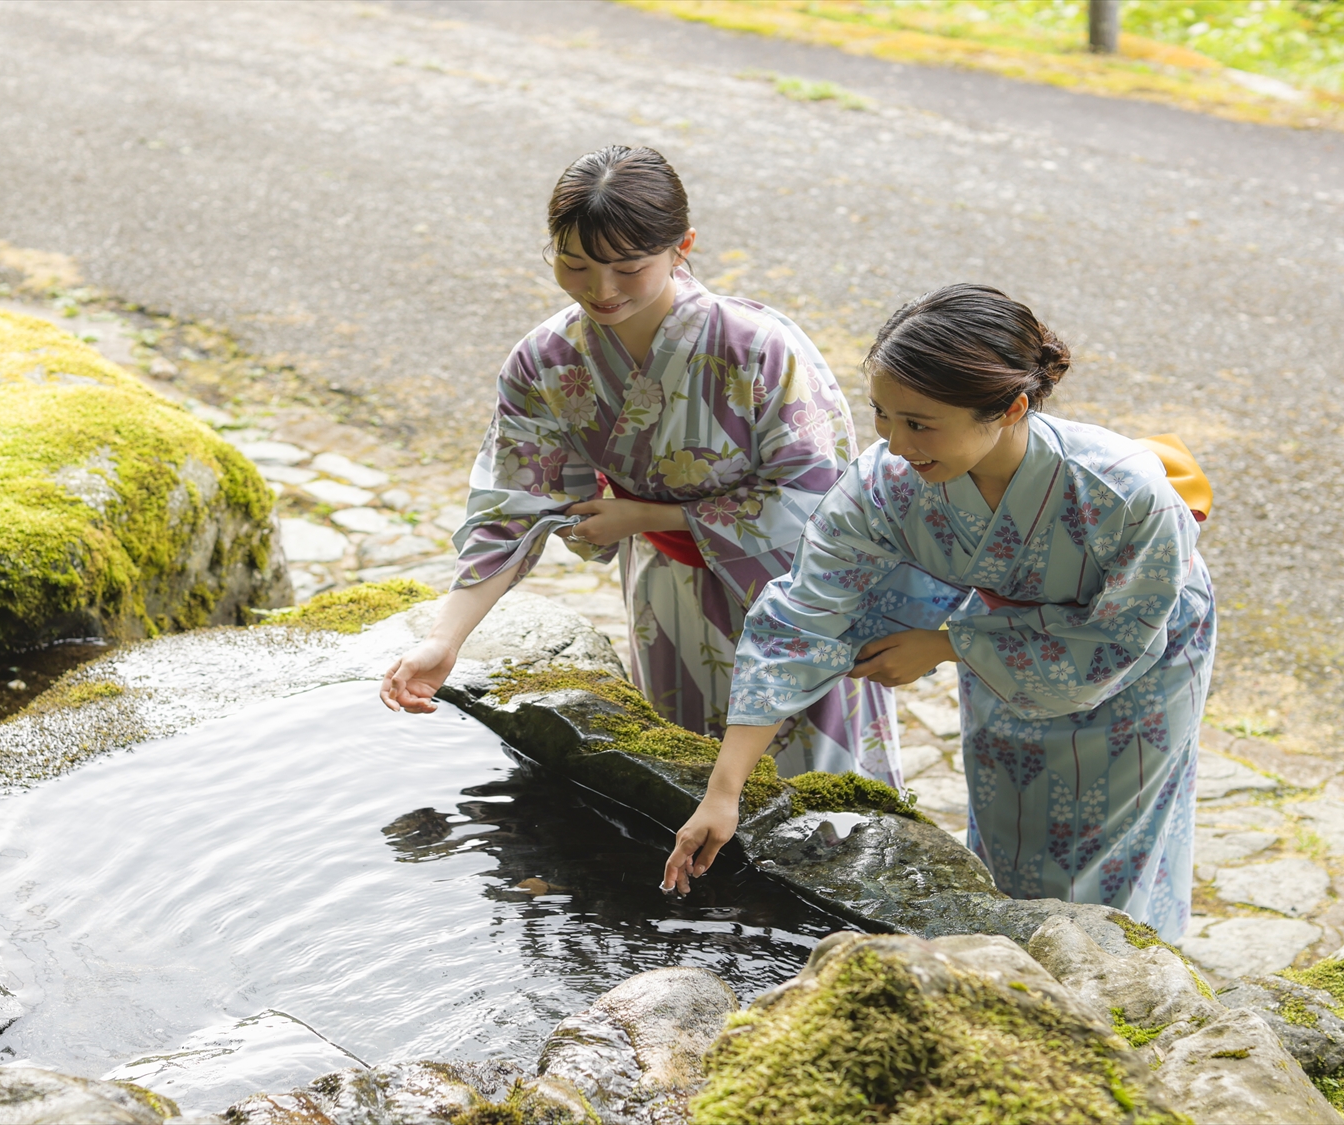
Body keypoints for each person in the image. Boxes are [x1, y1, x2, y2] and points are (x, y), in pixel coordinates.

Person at [661, 284, 1216, 941]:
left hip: (1139, 660)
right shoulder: (886, 483)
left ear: (1010, 408)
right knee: (1007, 820)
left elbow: (1116, 639)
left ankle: (1120, 993)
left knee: (1109, 848)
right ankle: (1007, 970)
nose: (895, 445)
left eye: (919, 423)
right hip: (1003, 648)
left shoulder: (1121, 492)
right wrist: (724, 789)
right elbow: (804, 612)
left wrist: (949, 642)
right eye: (882, 416)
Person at [379, 145, 906, 784]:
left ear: (682, 245)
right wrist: (446, 640)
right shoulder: (546, 360)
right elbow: (510, 506)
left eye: (629, 268)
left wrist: (651, 514)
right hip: (666, 590)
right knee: (682, 770)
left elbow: (825, 498)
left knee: (818, 794)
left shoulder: (758, 349)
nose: (601, 291)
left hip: (795, 595)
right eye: (574, 265)